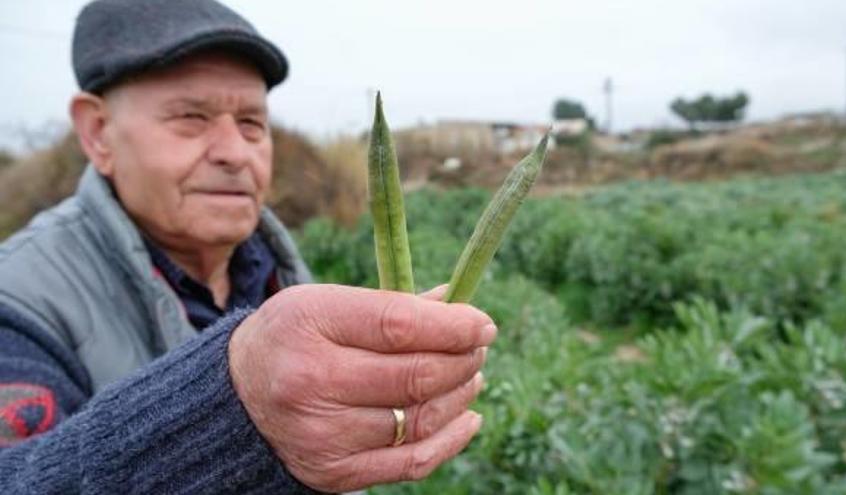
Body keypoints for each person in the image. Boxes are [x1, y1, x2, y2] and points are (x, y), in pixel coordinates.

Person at [0, 0, 495, 493]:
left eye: (252, 123)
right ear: (98, 132)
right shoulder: (18, 300)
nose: (235, 153)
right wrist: (235, 410)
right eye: (191, 117)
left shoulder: (282, 272)